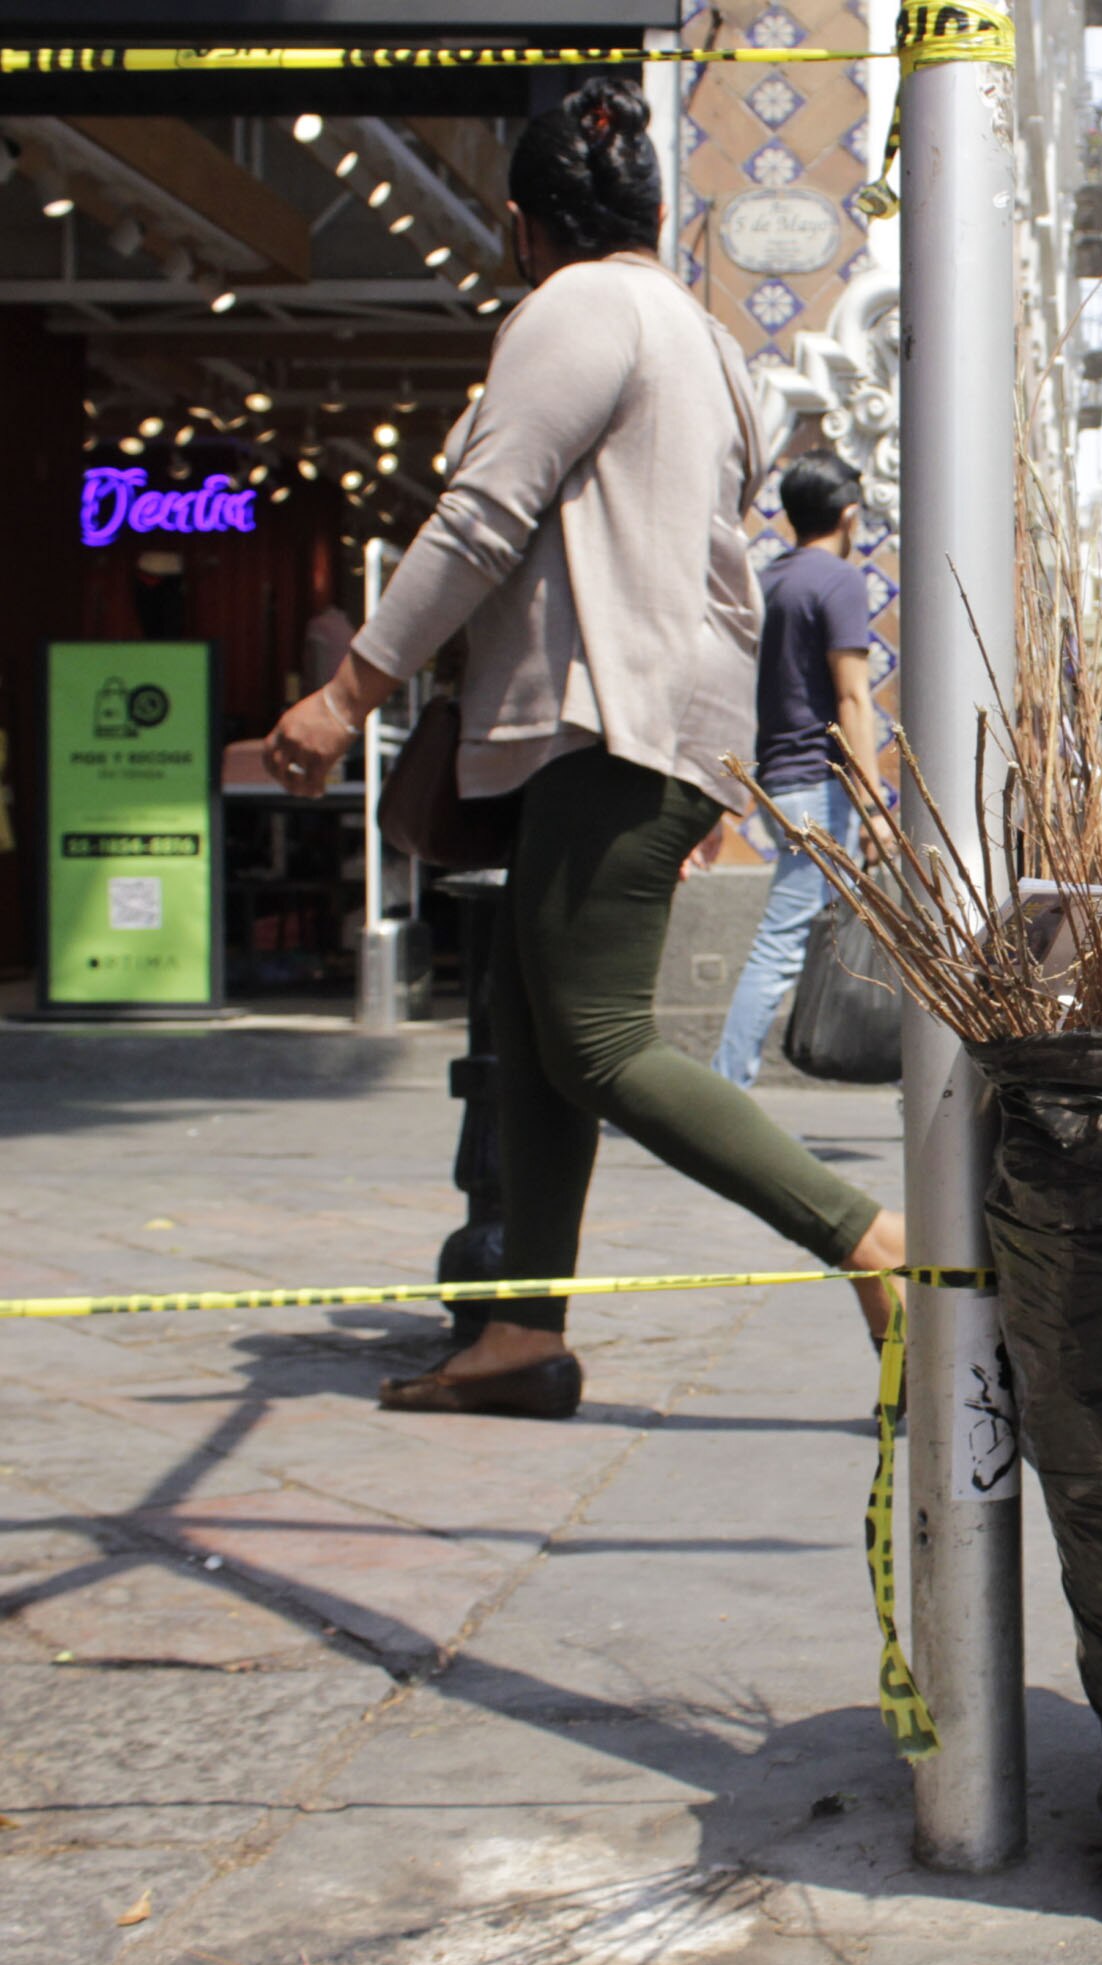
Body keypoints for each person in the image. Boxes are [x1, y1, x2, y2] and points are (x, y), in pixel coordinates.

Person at [261, 78, 905, 1420]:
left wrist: (347, 693)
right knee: (529, 1027)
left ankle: (864, 1235)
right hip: (661, 724)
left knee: (599, 1041)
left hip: (604, 719)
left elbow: (480, 519)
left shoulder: (571, 312)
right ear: (657, 211)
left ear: (518, 227)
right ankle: (521, 1333)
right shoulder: (704, 340)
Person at [712, 450, 878, 1088]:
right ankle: (725, 1086)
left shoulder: (770, 580)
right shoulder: (838, 581)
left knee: (837, 930)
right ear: (849, 513)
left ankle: (892, 1071)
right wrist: (871, 804)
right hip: (820, 781)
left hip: (782, 772)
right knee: (784, 939)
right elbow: (852, 696)